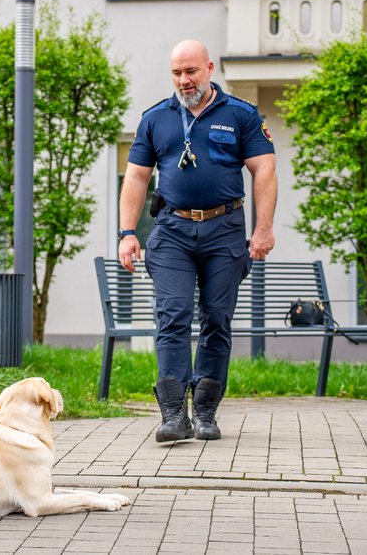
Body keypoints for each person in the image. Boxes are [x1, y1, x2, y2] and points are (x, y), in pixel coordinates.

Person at [118, 39, 277, 443]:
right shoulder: (156, 118)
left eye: (191, 71)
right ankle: (173, 415)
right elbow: (136, 176)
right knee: (171, 315)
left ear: (209, 68)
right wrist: (127, 232)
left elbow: (264, 170)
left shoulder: (242, 114)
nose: (184, 80)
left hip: (224, 230)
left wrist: (262, 230)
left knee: (217, 319)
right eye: (176, 73)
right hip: (171, 230)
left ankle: (205, 412)